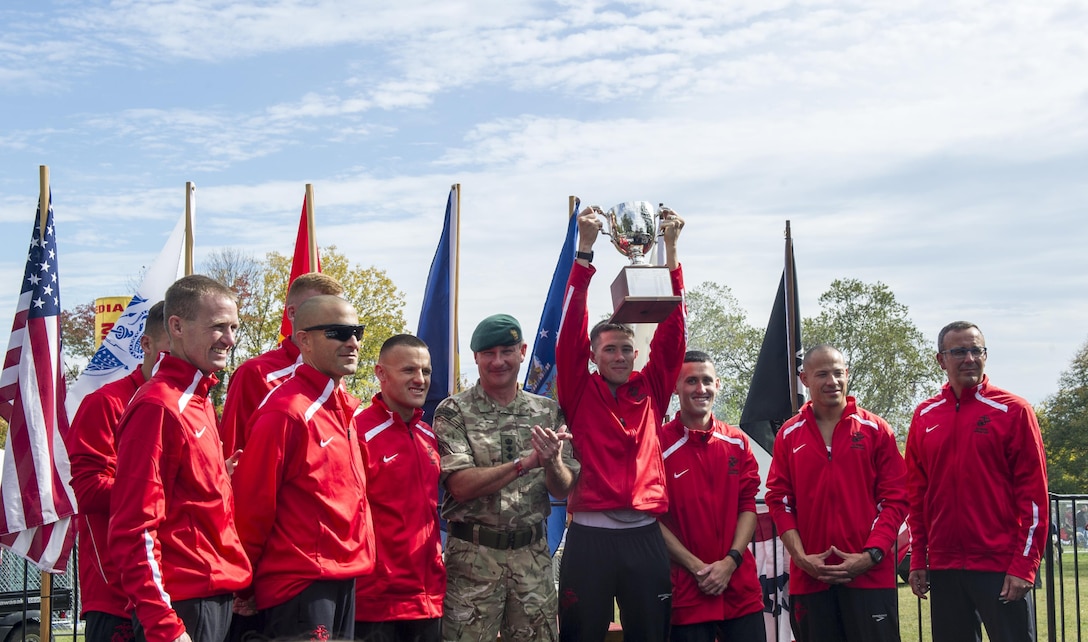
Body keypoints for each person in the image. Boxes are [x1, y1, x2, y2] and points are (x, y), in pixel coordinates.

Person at [555, 206, 686, 642]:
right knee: (580, 636)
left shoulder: (651, 388)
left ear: (635, 354)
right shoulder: (579, 390)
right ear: (594, 356)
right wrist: (585, 251)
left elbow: (674, 332)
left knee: (651, 636)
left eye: (625, 349)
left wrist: (671, 250)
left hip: (645, 538)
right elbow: (571, 328)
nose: (618, 356)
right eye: (608, 349)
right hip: (590, 538)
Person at [109, 275, 252, 642]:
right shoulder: (158, 405)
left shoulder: (198, 401)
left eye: (234, 327)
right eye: (218, 327)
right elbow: (134, 527)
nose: (231, 339)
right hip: (182, 606)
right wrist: (163, 625)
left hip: (212, 598)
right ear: (176, 326)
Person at [231, 295, 375, 641]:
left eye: (357, 331)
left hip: (344, 578)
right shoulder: (286, 411)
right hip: (300, 584)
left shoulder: (342, 409)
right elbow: (252, 508)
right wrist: (243, 584)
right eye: (338, 332)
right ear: (304, 340)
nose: (352, 342)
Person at [435, 314, 578, 641]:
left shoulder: (547, 411)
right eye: (488, 353)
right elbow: (459, 486)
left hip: (532, 557)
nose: (498, 361)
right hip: (473, 559)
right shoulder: (453, 411)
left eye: (507, 351)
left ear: (523, 351)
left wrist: (553, 462)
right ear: (476, 358)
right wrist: (525, 464)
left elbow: (563, 486)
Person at [905, 321, 1049, 642]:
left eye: (976, 350)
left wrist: (1024, 566)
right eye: (959, 351)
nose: (969, 358)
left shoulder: (1014, 411)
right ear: (941, 360)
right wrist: (919, 557)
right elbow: (916, 495)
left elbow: (1034, 498)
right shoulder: (925, 416)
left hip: (999, 565)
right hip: (944, 566)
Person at [765, 344, 907, 642]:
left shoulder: (876, 429)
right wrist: (801, 558)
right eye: (822, 374)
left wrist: (870, 556)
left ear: (848, 375)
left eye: (839, 373)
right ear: (805, 379)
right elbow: (779, 500)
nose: (832, 381)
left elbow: (895, 498)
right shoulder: (789, 435)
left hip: (870, 578)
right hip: (811, 579)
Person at [66, 301, 171, 642]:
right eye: (170, 353)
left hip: (171, 587)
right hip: (116, 594)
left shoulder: (191, 405)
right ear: (146, 345)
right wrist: (167, 489)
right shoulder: (106, 402)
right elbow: (88, 490)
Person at [657, 351, 765, 642]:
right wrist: (697, 568)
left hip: (739, 586)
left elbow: (748, 506)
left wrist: (730, 562)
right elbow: (651, 518)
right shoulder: (657, 445)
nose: (700, 388)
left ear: (717, 384)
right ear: (675, 387)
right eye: (691, 380)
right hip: (688, 591)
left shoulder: (737, 442)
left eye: (706, 380)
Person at [352, 334, 446, 641]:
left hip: (428, 599)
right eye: (409, 370)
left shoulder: (429, 436)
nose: (420, 379)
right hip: (375, 603)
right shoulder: (356, 433)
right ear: (381, 373)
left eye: (426, 371)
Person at [219, 271, 344, 457]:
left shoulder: (335, 374)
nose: (333, 320)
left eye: (337, 311)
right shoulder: (255, 373)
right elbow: (232, 454)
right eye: (320, 309)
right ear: (292, 313)